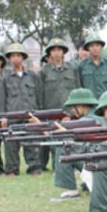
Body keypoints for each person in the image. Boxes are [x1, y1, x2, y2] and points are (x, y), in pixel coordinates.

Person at [52, 88, 106, 201]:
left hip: (96, 161)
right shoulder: (100, 117)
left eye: (73, 106)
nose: (72, 110)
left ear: (82, 105)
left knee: (62, 148)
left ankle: (71, 190)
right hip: (104, 160)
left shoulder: (86, 121)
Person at [0, 43, 43, 176]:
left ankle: (34, 167)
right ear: (9, 59)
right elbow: (2, 98)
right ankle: (11, 169)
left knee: (32, 141)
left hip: (30, 115)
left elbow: (39, 96)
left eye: (18, 55)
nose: (16, 58)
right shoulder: (5, 78)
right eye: (13, 56)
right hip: (12, 116)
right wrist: (3, 116)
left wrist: (39, 115)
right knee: (11, 144)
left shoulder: (33, 76)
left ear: (23, 57)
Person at [39, 37, 80, 171]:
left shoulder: (73, 69)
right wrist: (42, 114)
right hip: (51, 112)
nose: (56, 53)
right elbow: (40, 93)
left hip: (69, 111)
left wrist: (77, 110)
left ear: (63, 52)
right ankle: (57, 165)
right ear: (49, 53)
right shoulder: (44, 72)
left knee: (71, 139)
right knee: (53, 140)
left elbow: (78, 89)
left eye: (59, 50)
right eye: (53, 50)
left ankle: (72, 164)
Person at [77, 34, 107, 99]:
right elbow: (80, 87)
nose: (95, 48)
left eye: (97, 45)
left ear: (101, 47)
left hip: (105, 102)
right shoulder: (82, 65)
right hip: (88, 102)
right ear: (88, 48)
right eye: (92, 46)